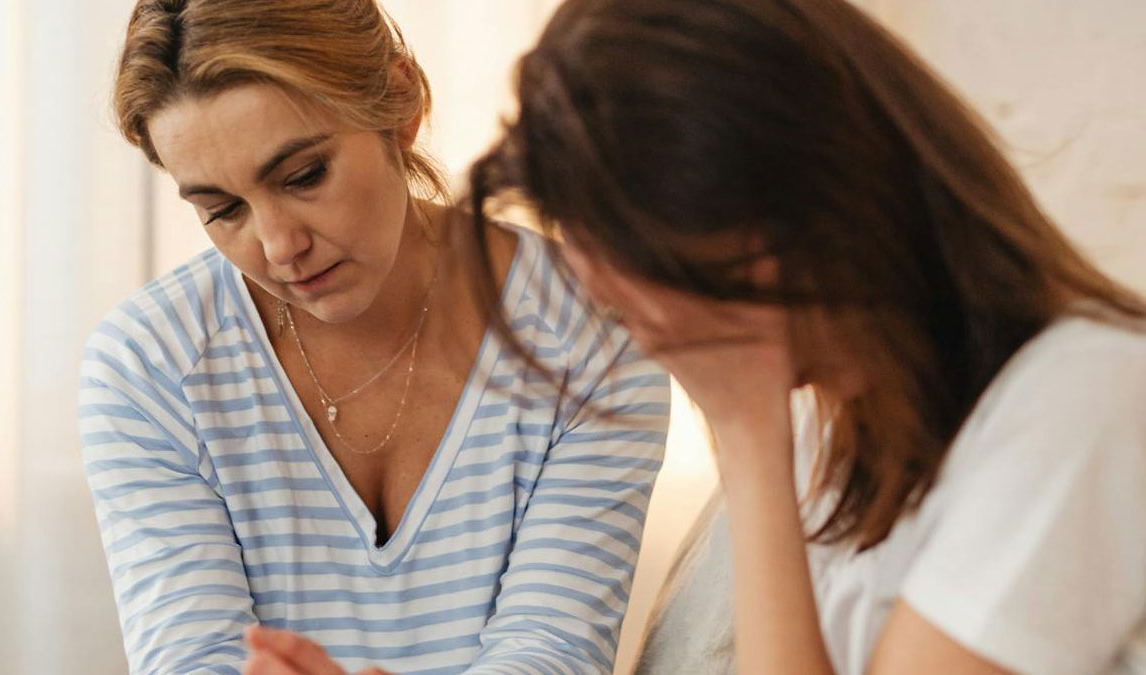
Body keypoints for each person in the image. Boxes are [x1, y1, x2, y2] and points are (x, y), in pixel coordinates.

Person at [464, 0, 1146, 673]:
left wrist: (748, 436)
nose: (653, 349)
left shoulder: (1084, 400)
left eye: (653, 303)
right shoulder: (844, 427)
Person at [79, 1, 671, 673]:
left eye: (304, 176)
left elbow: (553, 652)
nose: (280, 247)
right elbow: (194, 661)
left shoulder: (591, 329)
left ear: (400, 101)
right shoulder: (149, 366)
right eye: (222, 209)